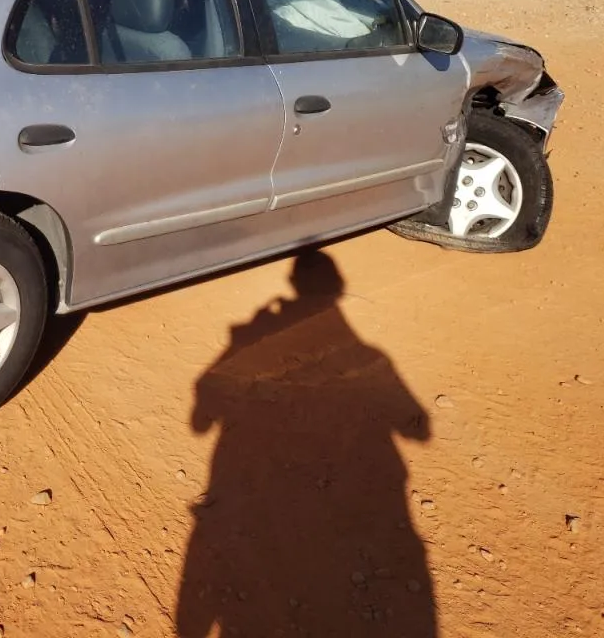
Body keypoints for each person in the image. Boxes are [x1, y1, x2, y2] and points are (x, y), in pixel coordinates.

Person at [177, 249, 436, 638]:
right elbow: (420, 428)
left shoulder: (252, 340)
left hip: (261, 499)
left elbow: (200, 420)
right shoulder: (370, 356)